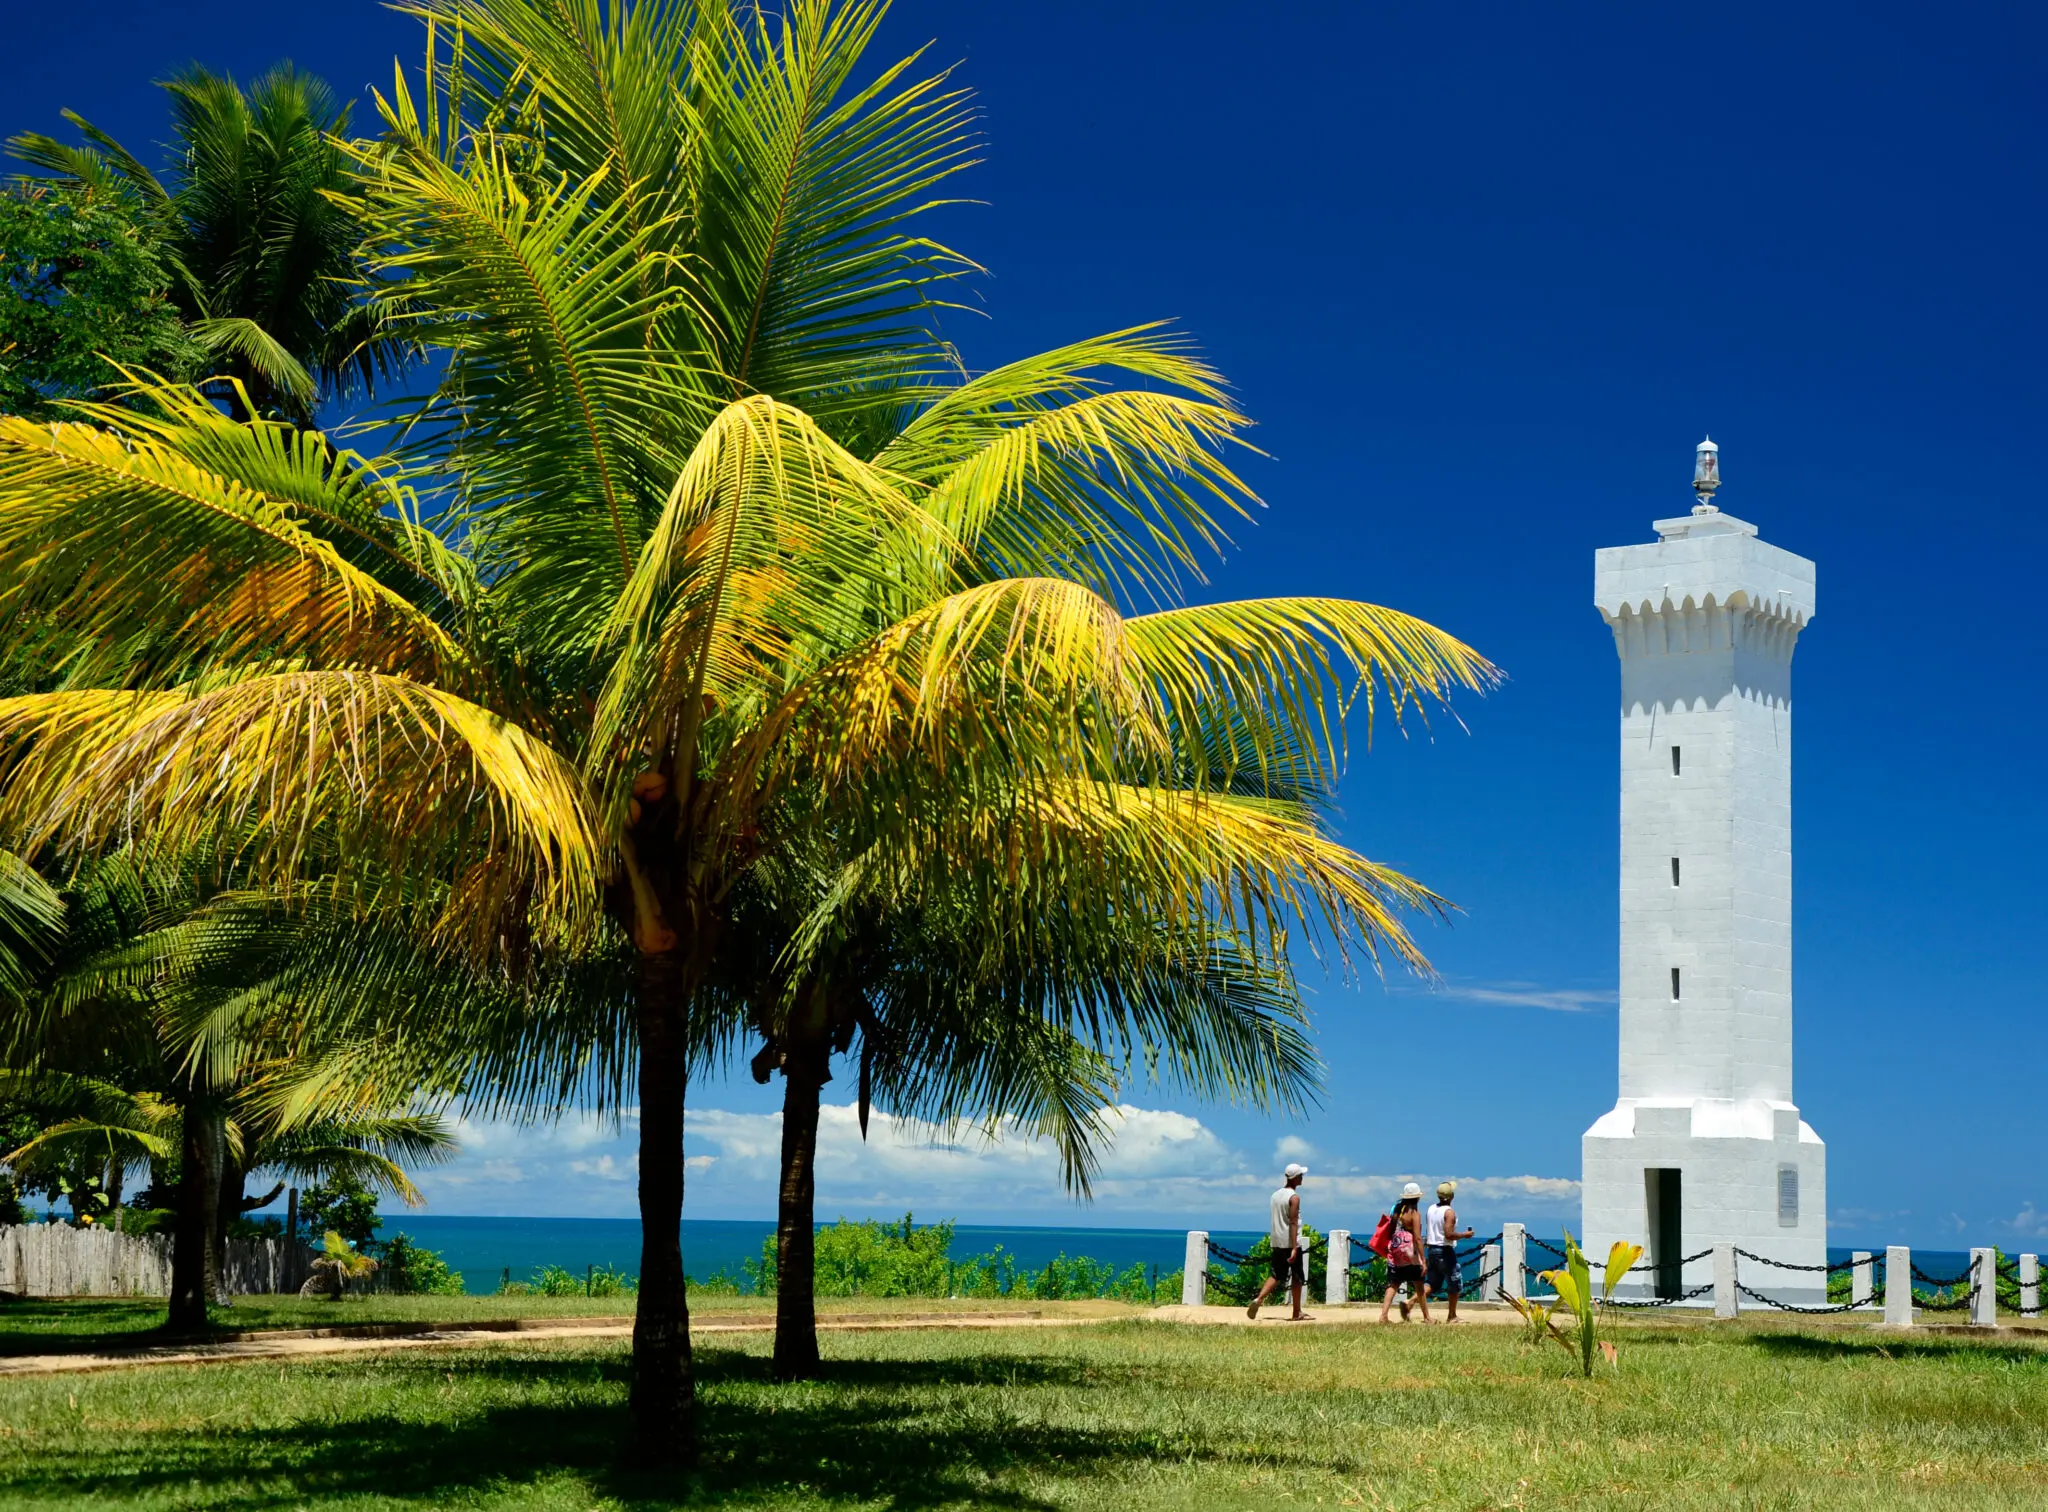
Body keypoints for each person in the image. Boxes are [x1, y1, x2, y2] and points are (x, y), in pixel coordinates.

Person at [1247, 1162, 1310, 1321]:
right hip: (1290, 1242)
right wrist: (1295, 1247)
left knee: (1276, 1274)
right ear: (1295, 1178)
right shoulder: (1294, 1197)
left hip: (1276, 1241)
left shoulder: (1275, 1196)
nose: (1302, 1178)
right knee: (1297, 1277)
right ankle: (1296, 1312)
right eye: (1300, 1175)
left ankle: (1259, 1298)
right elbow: (1293, 1222)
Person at [1379, 1181, 1432, 1323]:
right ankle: (1427, 1317)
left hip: (1396, 1251)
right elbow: (1418, 1238)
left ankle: (1383, 1315)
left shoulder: (1397, 1210)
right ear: (1417, 1198)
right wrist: (1423, 1259)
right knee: (1419, 1285)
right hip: (1410, 1254)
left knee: (1394, 1284)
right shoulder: (1414, 1214)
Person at [1424, 1180, 1474, 1322]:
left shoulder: (1431, 1208)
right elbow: (1449, 1234)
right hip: (1445, 1250)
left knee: (1432, 1283)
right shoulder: (1449, 1212)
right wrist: (1465, 1235)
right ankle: (1452, 1315)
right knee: (1454, 1282)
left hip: (1432, 1249)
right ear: (1452, 1196)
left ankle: (1410, 1303)